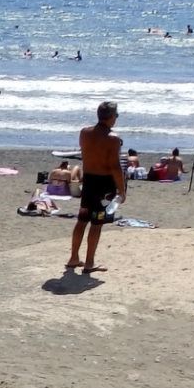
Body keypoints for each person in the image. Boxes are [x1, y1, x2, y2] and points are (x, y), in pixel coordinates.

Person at [67, 101, 125, 275]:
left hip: (89, 181)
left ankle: (73, 257)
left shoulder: (85, 133)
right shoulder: (113, 138)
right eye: (116, 116)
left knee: (82, 219)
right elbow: (115, 166)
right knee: (97, 223)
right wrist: (122, 190)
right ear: (111, 117)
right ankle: (89, 262)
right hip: (103, 185)